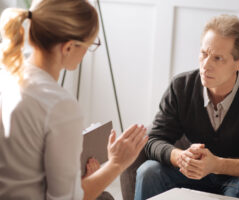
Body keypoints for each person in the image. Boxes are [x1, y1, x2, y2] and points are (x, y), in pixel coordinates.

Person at [0, 0, 148, 200]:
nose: (87, 52)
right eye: (90, 44)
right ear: (68, 47)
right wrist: (117, 164)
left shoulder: (8, 77)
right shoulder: (59, 104)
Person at [134, 14, 239, 200]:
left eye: (218, 58)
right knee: (149, 171)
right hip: (189, 176)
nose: (205, 65)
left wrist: (217, 165)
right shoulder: (181, 87)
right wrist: (181, 157)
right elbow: (153, 140)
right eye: (204, 54)